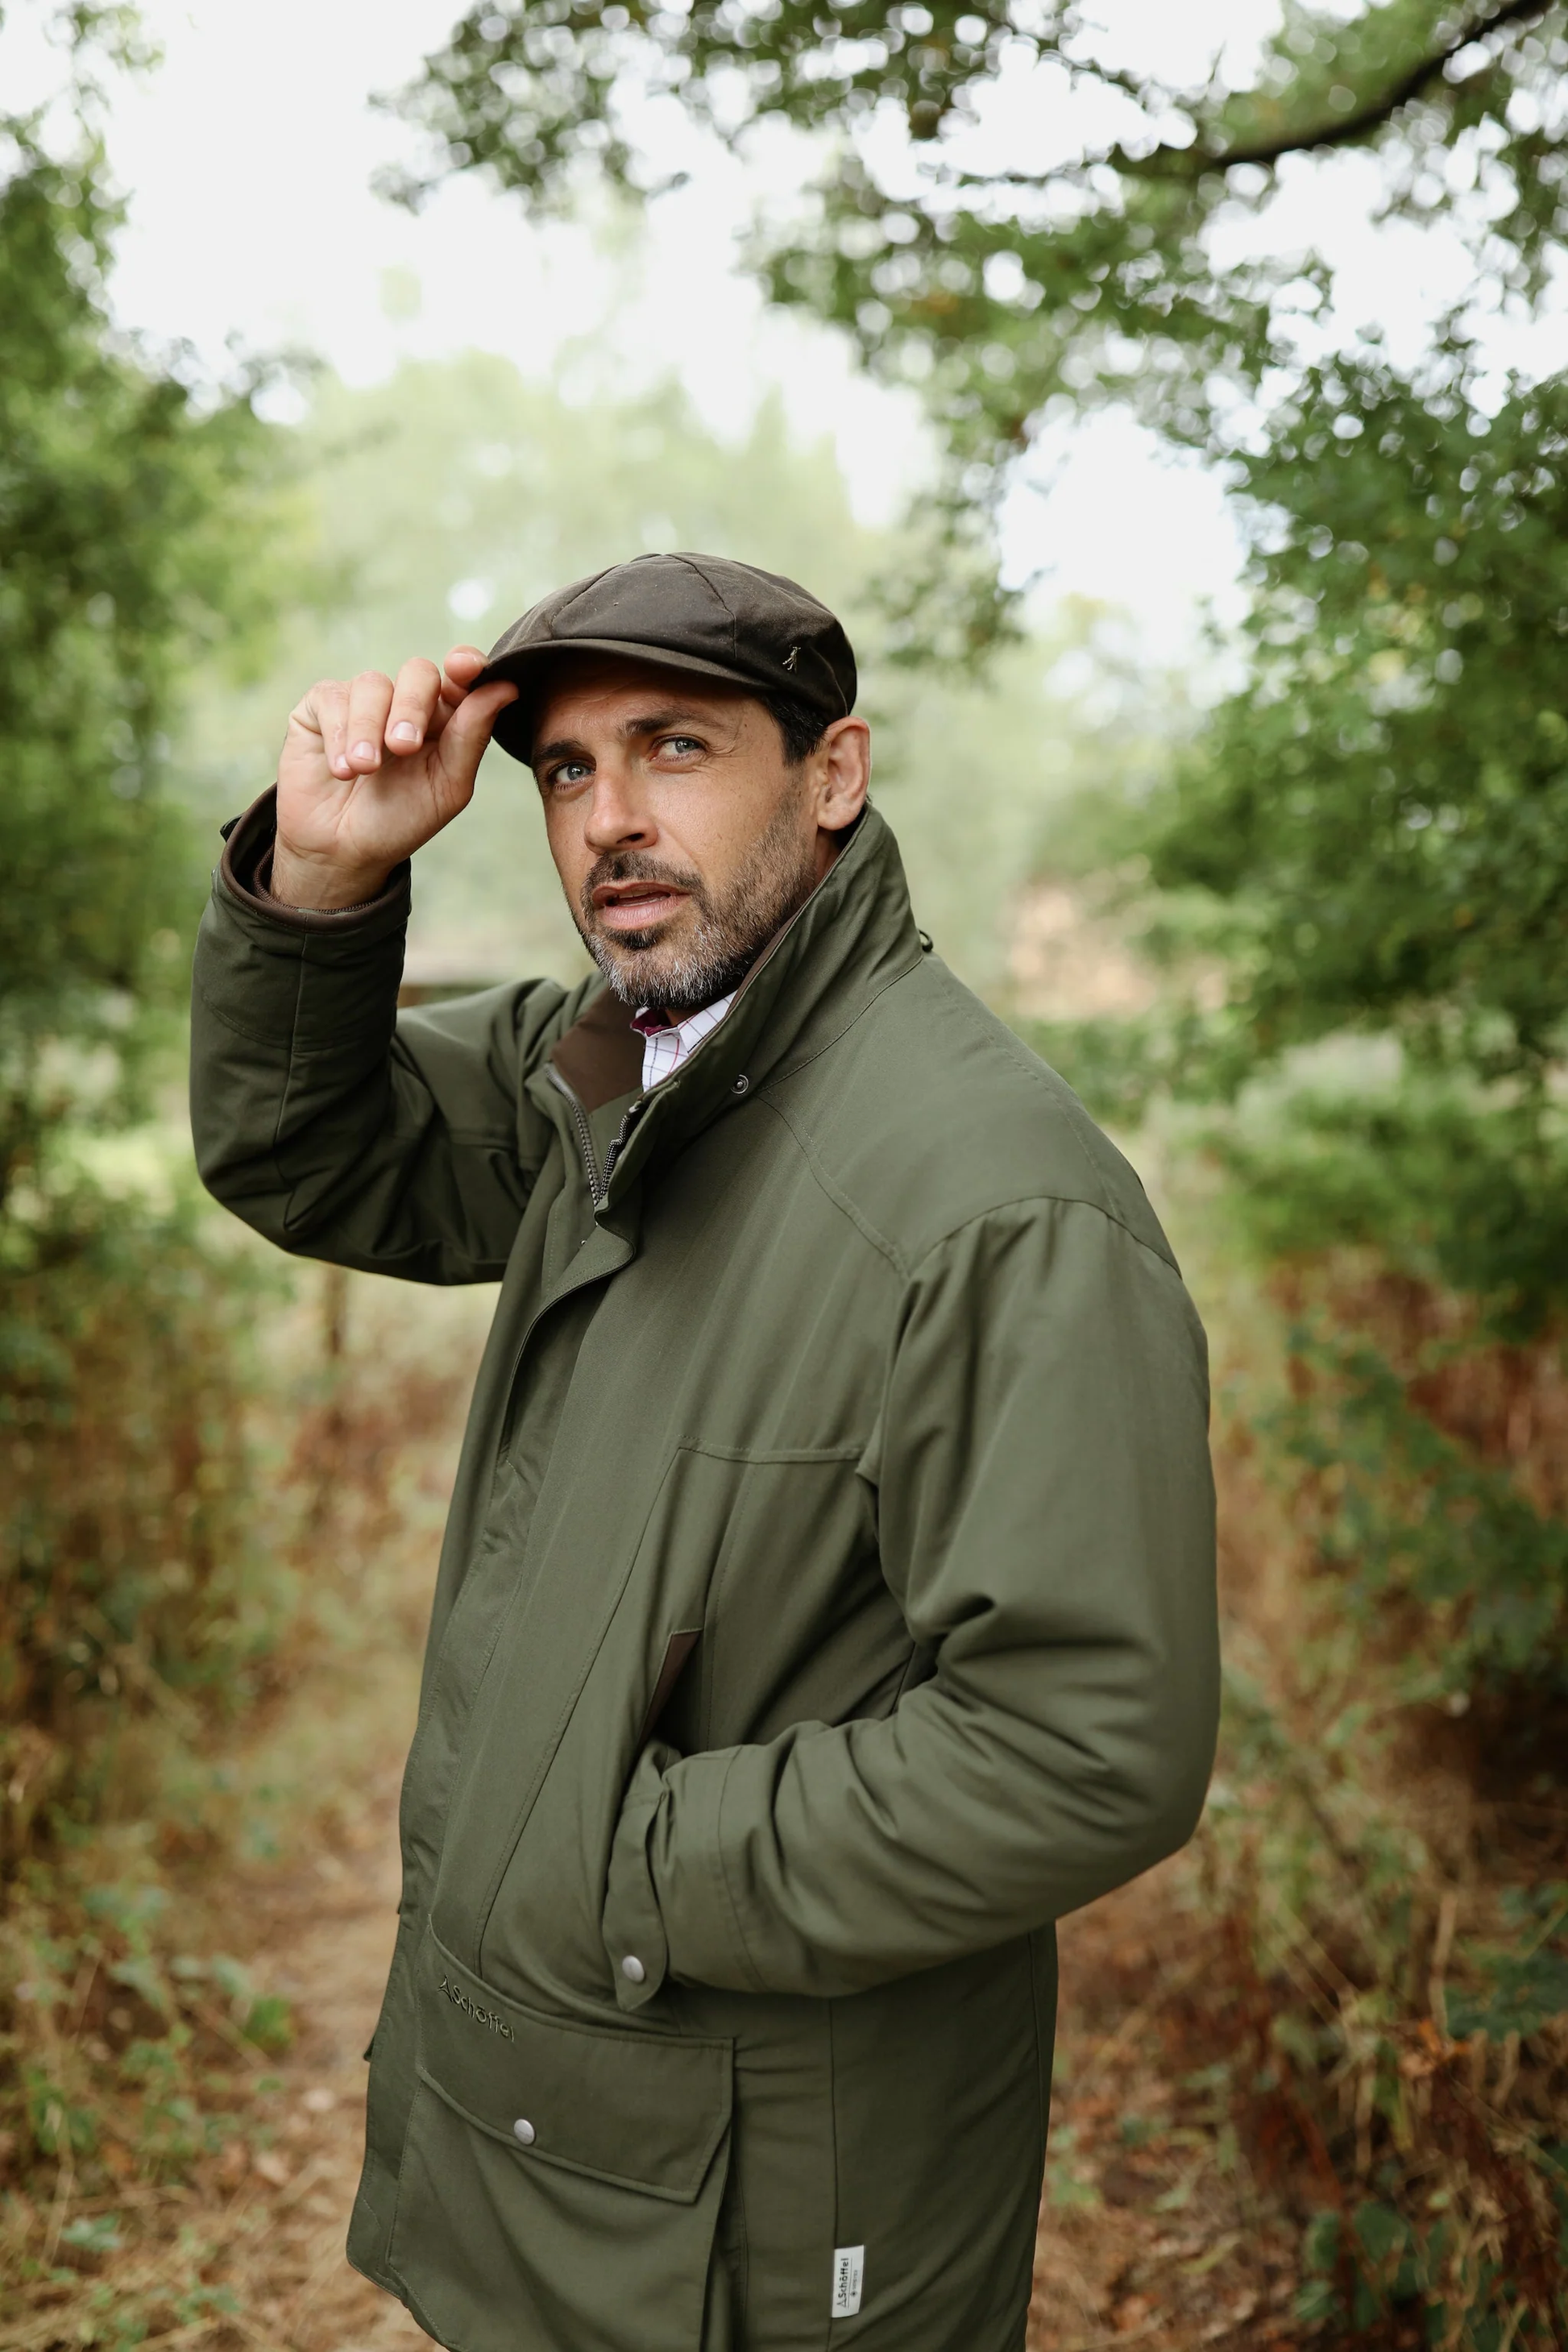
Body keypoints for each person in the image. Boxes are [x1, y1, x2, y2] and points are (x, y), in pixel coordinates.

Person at [189, 551, 1219, 2352]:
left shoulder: (996, 1206)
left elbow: (1084, 1744)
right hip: (567, 2141)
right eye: (567, 768)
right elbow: (311, 1148)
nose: (610, 818)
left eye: (674, 747)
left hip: (771, 2213)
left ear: (832, 775)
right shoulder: (613, 1073)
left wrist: (621, 1862)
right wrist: (325, 876)